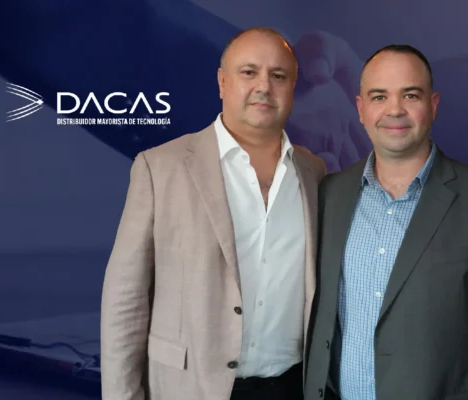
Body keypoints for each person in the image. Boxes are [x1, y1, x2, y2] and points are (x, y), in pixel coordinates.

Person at [304, 44, 468, 400]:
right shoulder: (329, 194)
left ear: (433, 105)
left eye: (410, 95)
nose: (394, 110)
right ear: (361, 109)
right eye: (379, 96)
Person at [100, 27, 327, 400]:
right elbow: (125, 299)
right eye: (249, 72)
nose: (264, 86)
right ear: (222, 82)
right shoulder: (160, 167)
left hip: (290, 387)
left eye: (278, 75)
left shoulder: (313, 171)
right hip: (189, 388)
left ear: (292, 87)